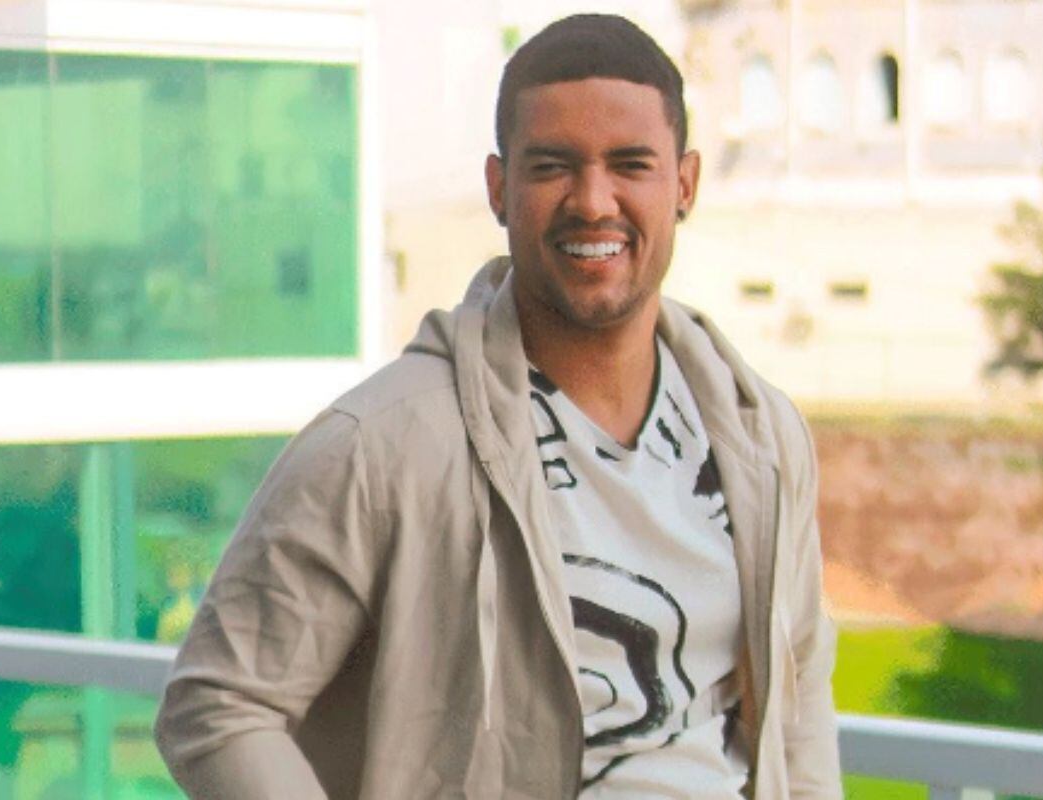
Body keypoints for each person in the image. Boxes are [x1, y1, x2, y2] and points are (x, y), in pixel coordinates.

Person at [155, 13, 840, 799]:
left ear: (683, 185)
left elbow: (797, 706)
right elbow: (219, 706)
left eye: (630, 164)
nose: (593, 201)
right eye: (552, 166)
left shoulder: (761, 435)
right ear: (498, 188)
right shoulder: (382, 444)